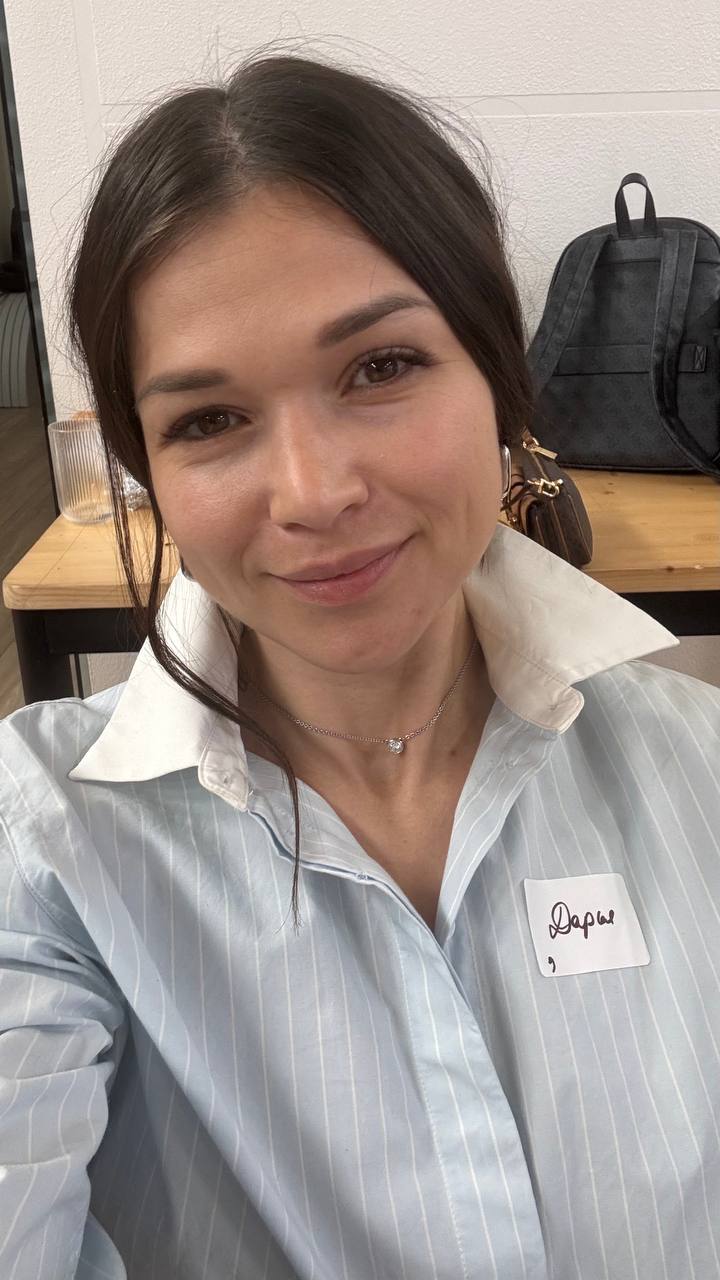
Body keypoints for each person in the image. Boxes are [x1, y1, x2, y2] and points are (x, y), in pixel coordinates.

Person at [1, 47, 719, 1280]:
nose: (314, 491)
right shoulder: (43, 846)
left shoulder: (695, 767)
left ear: (500, 381)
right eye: (209, 419)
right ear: (148, 471)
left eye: (380, 367)